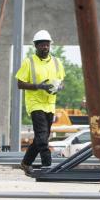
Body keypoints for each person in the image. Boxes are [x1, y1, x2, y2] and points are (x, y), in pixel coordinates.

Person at [16, 29, 65, 174]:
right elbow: (20, 84)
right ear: (36, 46)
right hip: (35, 103)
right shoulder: (28, 62)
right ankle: (47, 164)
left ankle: (26, 163)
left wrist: (59, 88)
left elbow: (62, 82)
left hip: (50, 104)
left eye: (47, 45)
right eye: (42, 45)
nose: (45, 47)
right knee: (42, 136)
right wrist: (38, 86)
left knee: (41, 137)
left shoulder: (56, 62)